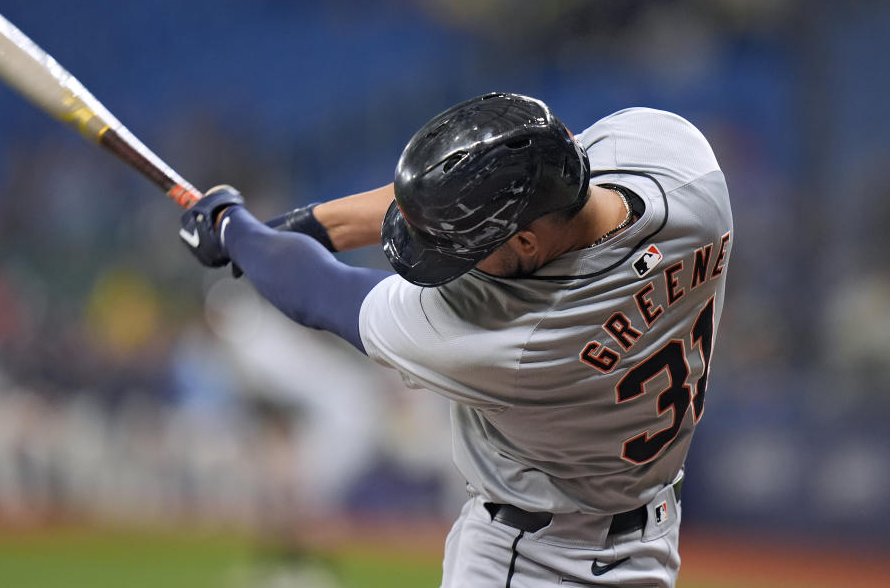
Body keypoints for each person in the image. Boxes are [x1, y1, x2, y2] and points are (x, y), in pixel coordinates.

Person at [179, 92, 732, 587]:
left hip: (532, 564)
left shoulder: (511, 335)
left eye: (471, 252)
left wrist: (232, 225)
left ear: (528, 241)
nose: (454, 267)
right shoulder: (682, 166)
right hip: (651, 545)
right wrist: (280, 233)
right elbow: (480, 193)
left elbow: (319, 292)